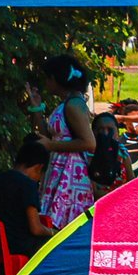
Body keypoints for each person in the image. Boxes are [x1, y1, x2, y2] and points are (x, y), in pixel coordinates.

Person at [35, 54, 96, 227]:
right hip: (59, 171)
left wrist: (52, 145)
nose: (46, 84)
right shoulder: (66, 103)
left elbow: (89, 143)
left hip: (71, 176)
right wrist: (37, 108)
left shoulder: (74, 105)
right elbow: (49, 136)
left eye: (47, 78)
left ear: (55, 79)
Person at [0, 137, 55, 257]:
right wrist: (51, 232)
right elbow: (36, 228)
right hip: (25, 248)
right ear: (39, 167)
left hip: (2, 247)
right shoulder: (28, 185)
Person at [87, 111, 133, 199]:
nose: (105, 133)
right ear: (92, 132)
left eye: (110, 129)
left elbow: (131, 181)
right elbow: (94, 192)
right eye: (100, 129)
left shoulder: (122, 153)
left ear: (118, 133)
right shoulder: (88, 155)